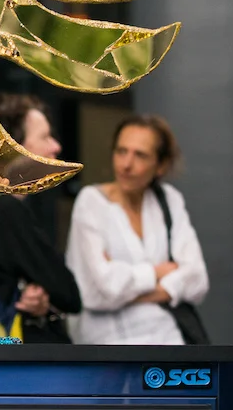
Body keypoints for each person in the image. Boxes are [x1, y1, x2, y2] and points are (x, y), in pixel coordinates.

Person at [65, 113, 209, 344]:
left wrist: (126, 288)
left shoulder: (169, 200)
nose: (126, 164)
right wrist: (159, 272)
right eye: (121, 151)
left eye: (140, 155)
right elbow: (102, 289)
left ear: (160, 165)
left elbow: (197, 279)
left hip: (168, 340)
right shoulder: (91, 202)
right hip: (108, 345)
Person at [0, 94, 81, 342]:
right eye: (45, 137)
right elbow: (69, 294)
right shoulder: (7, 209)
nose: (56, 146)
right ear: (15, 146)